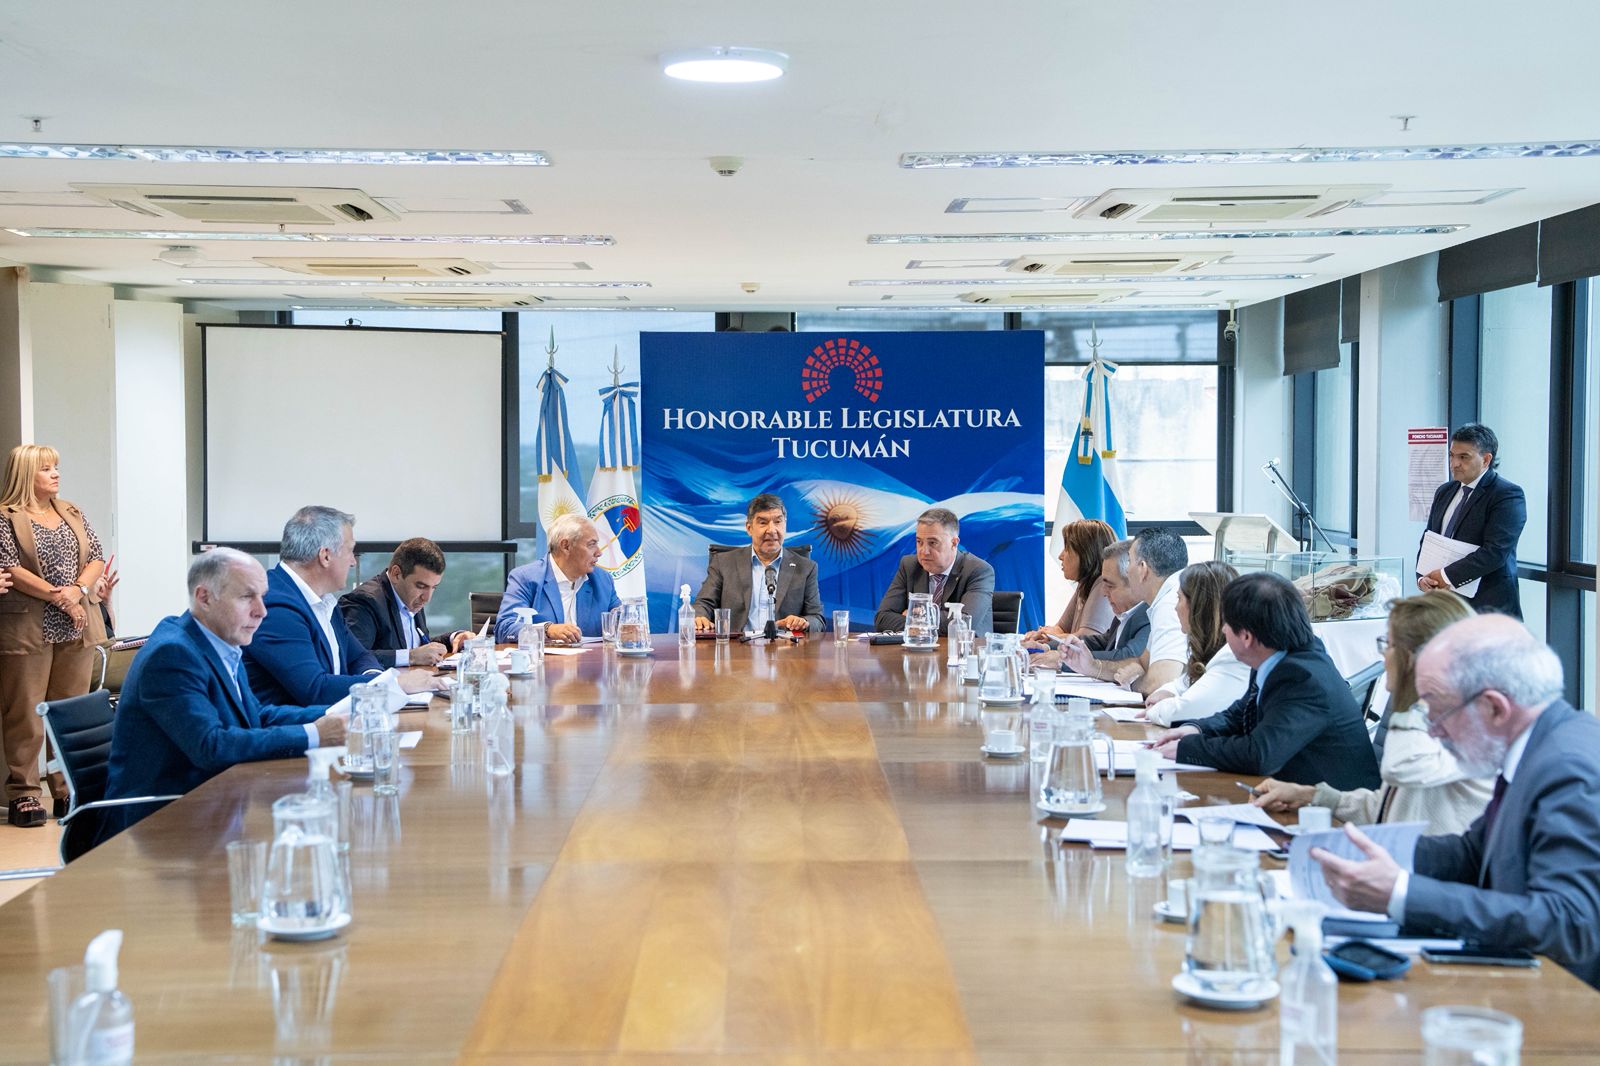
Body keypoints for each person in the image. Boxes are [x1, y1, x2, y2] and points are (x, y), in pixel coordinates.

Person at [1310, 615, 1600, 989]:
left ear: (1494, 707)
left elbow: (1570, 922)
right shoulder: (1535, 747)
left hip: (1565, 1000)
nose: (1434, 730)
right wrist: (1356, 850)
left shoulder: (1568, 768)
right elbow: (1472, 854)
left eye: (1439, 711)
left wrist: (1401, 892)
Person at [102, 549, 345, 839]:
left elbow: (255, 716)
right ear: (204, 597)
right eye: (247, 597)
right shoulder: (172, 655)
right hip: (157, 825)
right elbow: (211, 746)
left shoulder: (219, 638)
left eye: (262, 597)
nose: (262, 611)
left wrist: (336, 714)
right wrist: (314, 734)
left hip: (210, 803)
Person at [1251, 590, 1490, 834]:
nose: (1384, 655)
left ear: (1413, 659)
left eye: (1389, 645)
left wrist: (1417, 690)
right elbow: (1388, 809)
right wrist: (1310, 795)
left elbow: (1401, 768)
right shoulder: (1431, 716)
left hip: (1425, 858)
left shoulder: (1469, 728)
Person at [1150, 571, 1379, 790]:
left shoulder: (1302, 678)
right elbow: (1240, 714)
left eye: (1226, 624)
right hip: (1293, 793)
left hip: (1332, 809)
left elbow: (1260, 754)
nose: (1223, 630)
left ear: (1246, 637)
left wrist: (1188, 749)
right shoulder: (1276, 655)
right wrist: (1195, 729)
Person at [244, 506, 437, 706]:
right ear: (325, 556)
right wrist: (393, 684)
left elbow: (358, 656)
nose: (353, 562)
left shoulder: (324, 600)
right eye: (350, 551)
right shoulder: (276, 607)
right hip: (302, 723)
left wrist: (374, 680)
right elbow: (315, 690)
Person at [0, 444, 100, 828]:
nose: (56, 473)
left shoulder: (70, 510)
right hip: (29, 626)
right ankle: (24, 793)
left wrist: (78, 591)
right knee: (25, 713)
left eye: (56, 466)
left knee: (68, 711)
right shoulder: (6, 517)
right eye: (46, 468)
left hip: (77, 622)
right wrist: (61, 597)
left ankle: (67, 790)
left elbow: (95, 557)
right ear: (27, 474)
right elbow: (11, 569)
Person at [1416, 422, 1526, 618]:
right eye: (1452, 455)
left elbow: (1495, 552)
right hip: (1445, 605)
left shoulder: (1507, 494)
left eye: (1463, 457)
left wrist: (1445, 576)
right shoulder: (1445, 491)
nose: (1454, 463)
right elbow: (1429, 539)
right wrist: (1422, 577)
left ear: (1486, 460)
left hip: (1488, 606)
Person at [694, 494, 825, 635]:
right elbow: (703, 604)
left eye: (778, 522)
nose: (772, 530)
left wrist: (804, 622)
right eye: (763, 522)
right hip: (737, 645)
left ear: (785, 525)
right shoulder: (723, 563)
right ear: (749, 528)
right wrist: (700, 617)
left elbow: (817, 619)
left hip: (785, 646)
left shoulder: (806, 568)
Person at [1139, 561, 1250, 727]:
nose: (1175, 608)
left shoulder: (1232, 656)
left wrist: (1157, 708)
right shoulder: (1211, 648)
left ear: (1199, 606)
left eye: (1179, 599)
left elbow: (1182, 712)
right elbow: (1181, 684)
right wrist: (1167, 692)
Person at [1084, 527, 1188, 695]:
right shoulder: (1164, 599)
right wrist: (1092, 666)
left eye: (1130, 561)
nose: (1127, 571)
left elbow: (1160, 683)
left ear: (1142, 569)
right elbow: (1141, 663)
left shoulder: (1170, 606)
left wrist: (1131, 682)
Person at [341, 538, 470, 667]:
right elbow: (353, 658)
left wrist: (453, 638)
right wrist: (410, 657)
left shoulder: (411, 597)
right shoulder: (364, 601)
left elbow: (417, 647)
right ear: (396, 574)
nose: (427, 598)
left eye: (434, 587)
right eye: (421, 586)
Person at [497, 513, 622, 643]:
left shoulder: (602, 579)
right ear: (566, 546)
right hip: (544, 656)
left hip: (590, 656)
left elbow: (620, 620)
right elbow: (504, 629)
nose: (599, 552)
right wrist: (547, 630)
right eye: (591, 544)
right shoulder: (525, 578)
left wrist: (626, 626)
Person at [873, 507, 994, 636]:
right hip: (918, 647)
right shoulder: (909, 566)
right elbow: (882, 619)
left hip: (963, 647)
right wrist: (927, 623)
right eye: (919, 542)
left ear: (954, 543)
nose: (924, 551)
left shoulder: (978, 570)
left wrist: (914, 616)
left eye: (932, 543)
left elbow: (963, 623)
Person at [1041, 539, 1149, 673]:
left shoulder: (1149, 616)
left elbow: (1126, 658)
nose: (1103, 592)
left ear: (1135, 581)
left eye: (1110, 586)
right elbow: (1099, 642)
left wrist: (1063, 660)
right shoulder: (1124, 615)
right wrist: (1046, 647)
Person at [1022, 519, 1116, 646]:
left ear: (1085, 552)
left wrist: (1047, 638)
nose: (1060, 556)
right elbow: (1060, 628)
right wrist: (1049, 634)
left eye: (1066, 549)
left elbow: (1087, 639)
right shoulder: (1084, 584)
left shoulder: (1102, 585)